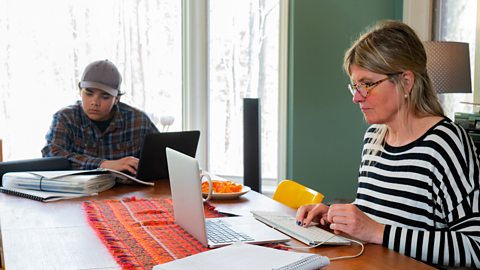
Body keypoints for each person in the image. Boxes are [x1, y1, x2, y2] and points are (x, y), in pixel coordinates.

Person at [296, 20, 480, 268]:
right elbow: (382, 215)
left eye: (367, 84)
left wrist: (376, 231)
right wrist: (334, 215)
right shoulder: (374, 137)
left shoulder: (445, 143)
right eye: (355, 85)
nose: (356, 97)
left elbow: (474, 247)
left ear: (406, 81)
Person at [42, 59, 159, 175]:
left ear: (117, 99)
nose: (95, 102)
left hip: (127, 192)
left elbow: (163, 156)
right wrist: (105, 164)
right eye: (89, 93)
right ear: (80, 91)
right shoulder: (65, 118)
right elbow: (51, 155)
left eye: (105, 96)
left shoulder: (138, 120)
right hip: (79, 193)